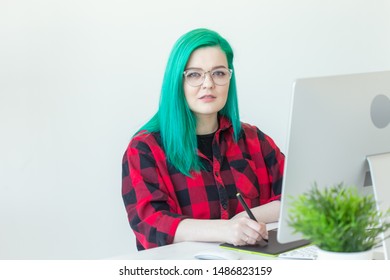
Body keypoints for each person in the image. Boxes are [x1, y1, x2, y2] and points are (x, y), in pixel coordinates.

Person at [122, 28, 284, 251]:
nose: (208, 84)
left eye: (218, 73)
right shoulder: (144, 149)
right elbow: (151, 224)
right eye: (194, 74)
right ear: (177, 81)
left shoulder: (254, 139)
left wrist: (244, 219)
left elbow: (299, 198)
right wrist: (226, 229)